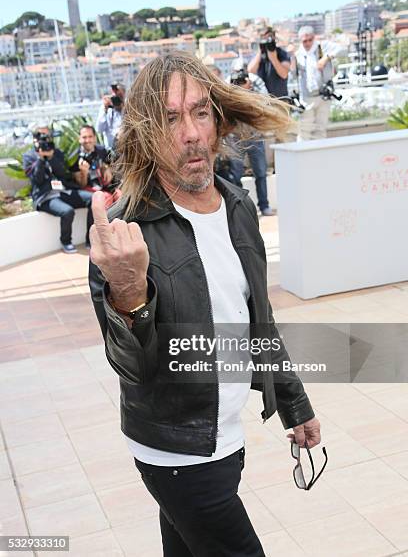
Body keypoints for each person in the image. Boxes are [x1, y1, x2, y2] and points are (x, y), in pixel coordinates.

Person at [89, 52, 322, 557]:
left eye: (199, 113)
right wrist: (129, 293)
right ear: (146, 133)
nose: (191, 133)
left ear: (218, 121)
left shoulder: (238, 205)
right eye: (171, 119)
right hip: (175, 449)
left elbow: (259, 323)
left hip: (226, 437)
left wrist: (294, 403)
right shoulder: (124, 234)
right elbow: (132, 366)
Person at [23, 127, 93, 254]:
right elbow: (37, 180)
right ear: (35, 139)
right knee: (67, 211)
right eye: (41, 136)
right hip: (46, 196)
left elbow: (62, 174)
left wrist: (51, 157)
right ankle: (66, 242)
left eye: (47, 136)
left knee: (93, 198)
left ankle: (91, 240)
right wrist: (40, 158)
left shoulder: (57, 152)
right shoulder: (29, 156)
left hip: (63, 191)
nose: (44, 139)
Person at [224, 60, 274, 216]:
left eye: (241, 72)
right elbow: (224, 106)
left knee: (260, 172)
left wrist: (250, 90)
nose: (239, 77)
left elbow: (267, 103)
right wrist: (234, 91)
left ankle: (264, 205)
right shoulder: (227, 83)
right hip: (235, 136)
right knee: (235, 174)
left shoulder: (255, 81)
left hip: (255, 134)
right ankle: (241, 209)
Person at [293, 26, 344, 140]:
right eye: (304, 41)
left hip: (323, 96)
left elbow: (342, 49)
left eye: (310, 40)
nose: (307, 43)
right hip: (307, 98)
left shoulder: (322, 47)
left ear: (314, 38)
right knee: (304, 131)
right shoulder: (298, 54)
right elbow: (293, 74)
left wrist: (326, 58)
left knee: (320, 130)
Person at [69, 125, 121, 208]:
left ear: (95, 138)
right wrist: (84, 172)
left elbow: (112, 165)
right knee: (106, 198)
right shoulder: (74, 157)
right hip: (88, 189)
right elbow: (81, 185)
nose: (87, 140)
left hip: (105, 186)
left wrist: (107, 168)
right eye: (84, 137)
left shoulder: (102, 150)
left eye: (90, 137)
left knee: (120, 196)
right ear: (79, 139)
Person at [248, 27, 291, 98]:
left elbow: (284, 74)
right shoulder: (259, 56)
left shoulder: (282, 53)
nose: (266, 41)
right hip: (264, 100)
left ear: (274, 38)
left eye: (269, 38)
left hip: (280, 99)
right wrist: (261, 51)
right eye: (263, 38)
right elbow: (251, 71)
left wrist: (273, 58)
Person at [95, 82, 126, 149]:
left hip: (125, 149)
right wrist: (105, 109)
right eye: (114, 96)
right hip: (110, 150)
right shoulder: (106, 109)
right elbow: (99, 129)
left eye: (119, 96)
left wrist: (123, 107)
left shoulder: (128, 108)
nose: (116, 100)